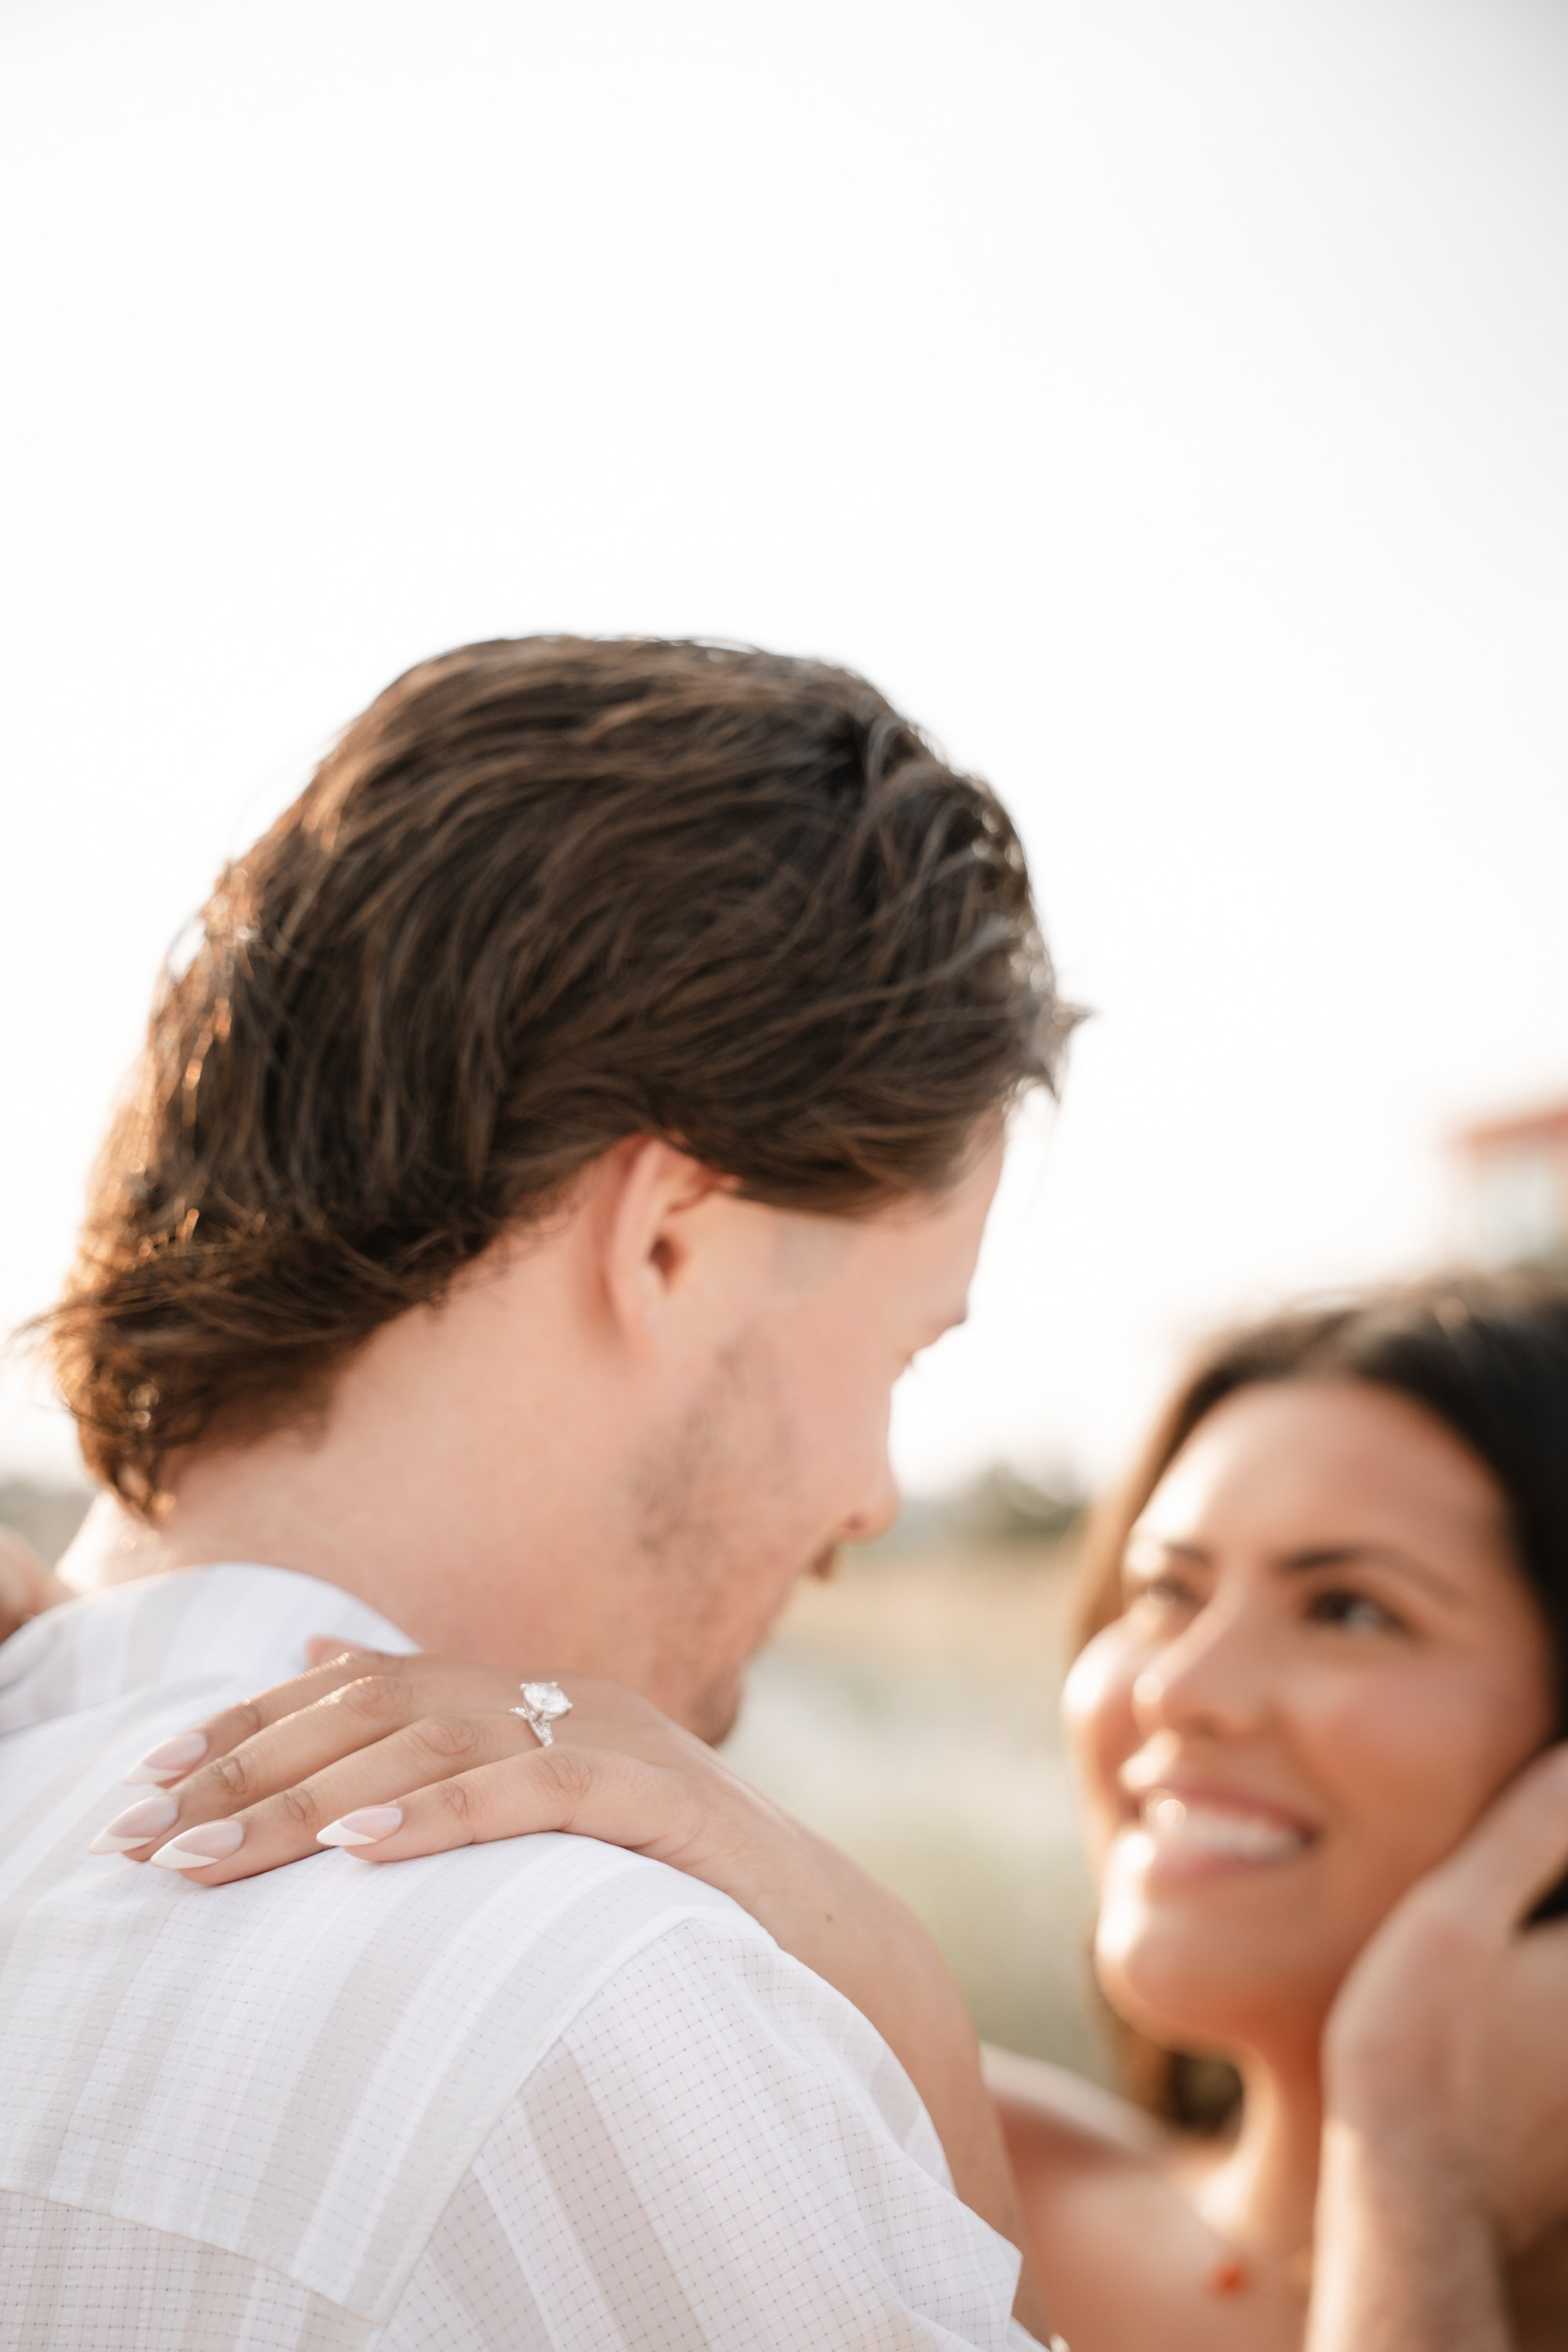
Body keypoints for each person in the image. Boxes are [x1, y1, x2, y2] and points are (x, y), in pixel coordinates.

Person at [0, 634, 1069, 2349]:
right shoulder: (610, 2012)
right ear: (666, 1240)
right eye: (901, 1356)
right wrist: (917, 2065)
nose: (873, 1501)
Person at [98, 1270, 1568, 2351]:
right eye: (1164, 1591)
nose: (1182, 1684)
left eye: (1352, 1609)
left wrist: (1409, 2159)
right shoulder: (872, 2140)